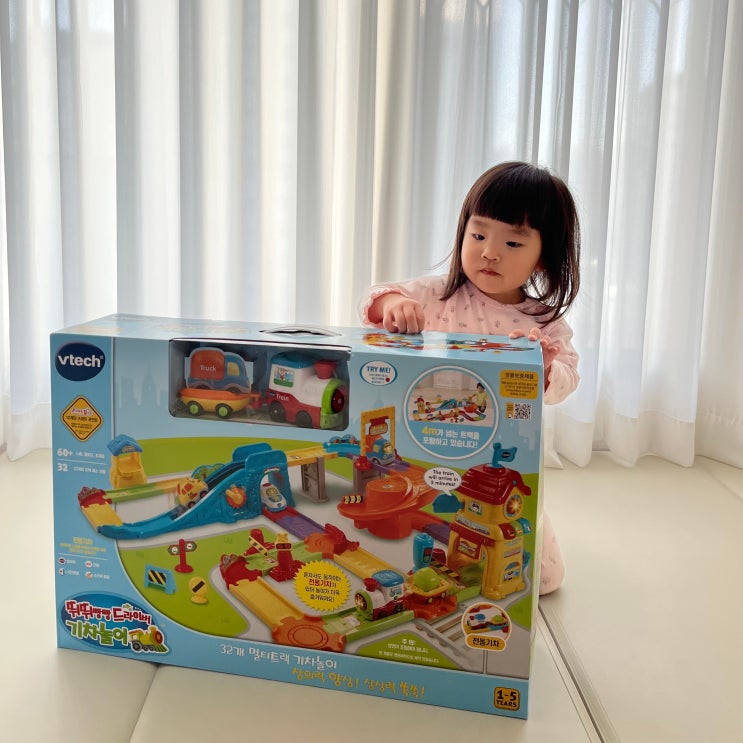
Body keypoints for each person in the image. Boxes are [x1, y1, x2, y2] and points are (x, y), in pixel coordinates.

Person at [358, 161, 580, 594]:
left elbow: (567, 380)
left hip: (495, 464)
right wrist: (392, 305)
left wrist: (545, 367)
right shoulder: (436, 293)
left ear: (543, 256)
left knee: (544, 580)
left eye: (512, 242)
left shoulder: (543, 322)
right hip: (428, 442)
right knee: (423, 537)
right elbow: (373, 298)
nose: (490, 252)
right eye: (478, 235)